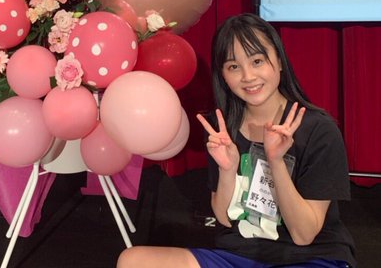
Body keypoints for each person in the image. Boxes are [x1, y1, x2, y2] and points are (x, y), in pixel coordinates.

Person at [117, 13, 356, 268]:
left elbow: (304, 235)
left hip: (310, 258)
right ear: (223, 74)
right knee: (132, 261)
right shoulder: (222, 128)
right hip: (240, 255)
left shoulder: (319, 130)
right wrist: (228, 170)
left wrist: (276, 163)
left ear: (279, 61)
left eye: (257, 61)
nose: (248, 76)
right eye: (233, 67)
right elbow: (224, 218)